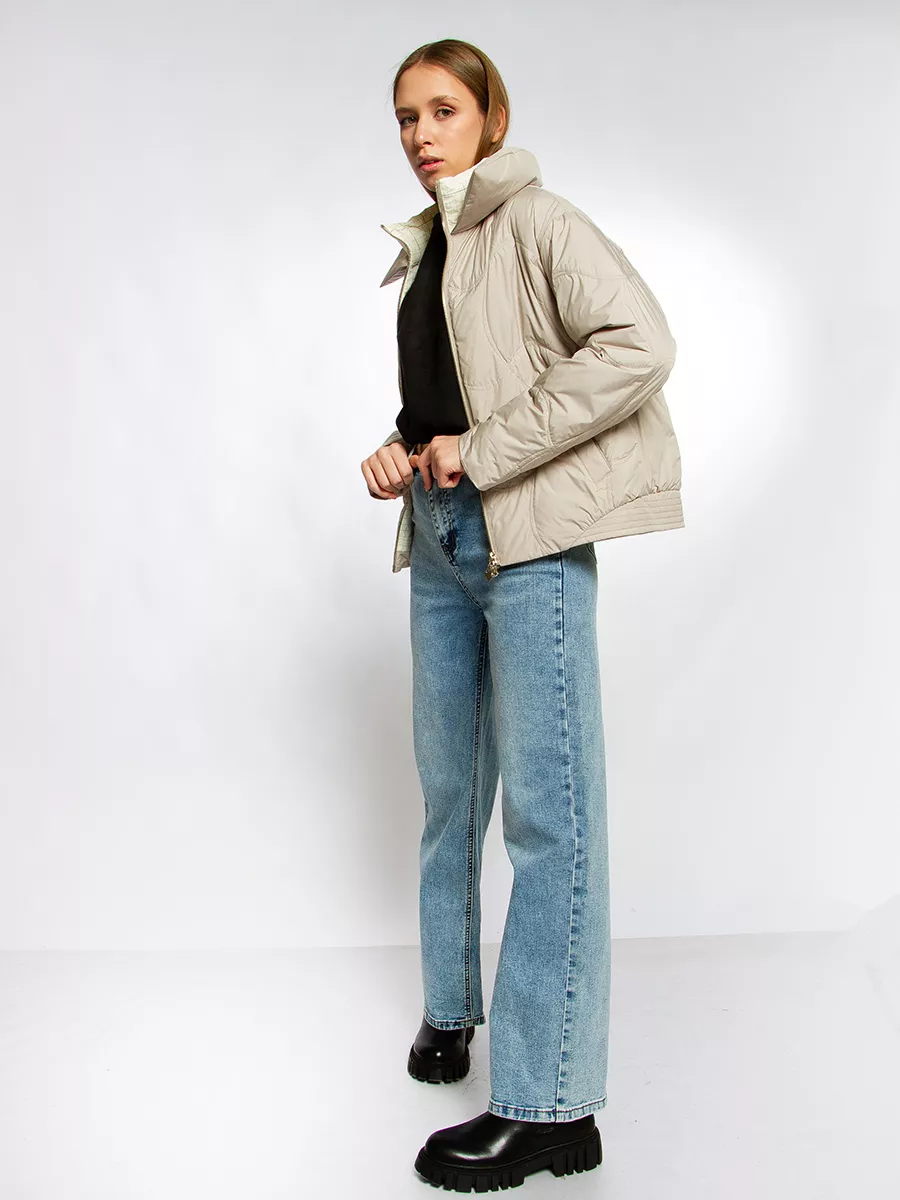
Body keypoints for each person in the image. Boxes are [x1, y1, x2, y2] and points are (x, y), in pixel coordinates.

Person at [360, 38, 684, 1192]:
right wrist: (399, 450)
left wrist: (485, 450)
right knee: (451, 790)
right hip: (442, 540)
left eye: (443, 109)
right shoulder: (432, 247)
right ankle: (453, 1009)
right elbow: (449, 402)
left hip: (530, 542)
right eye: (406, 115)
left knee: (550, 819)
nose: (421, 133)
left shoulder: (542, 223)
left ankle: (553, 1108)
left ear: (493, 117)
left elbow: (641, 346)